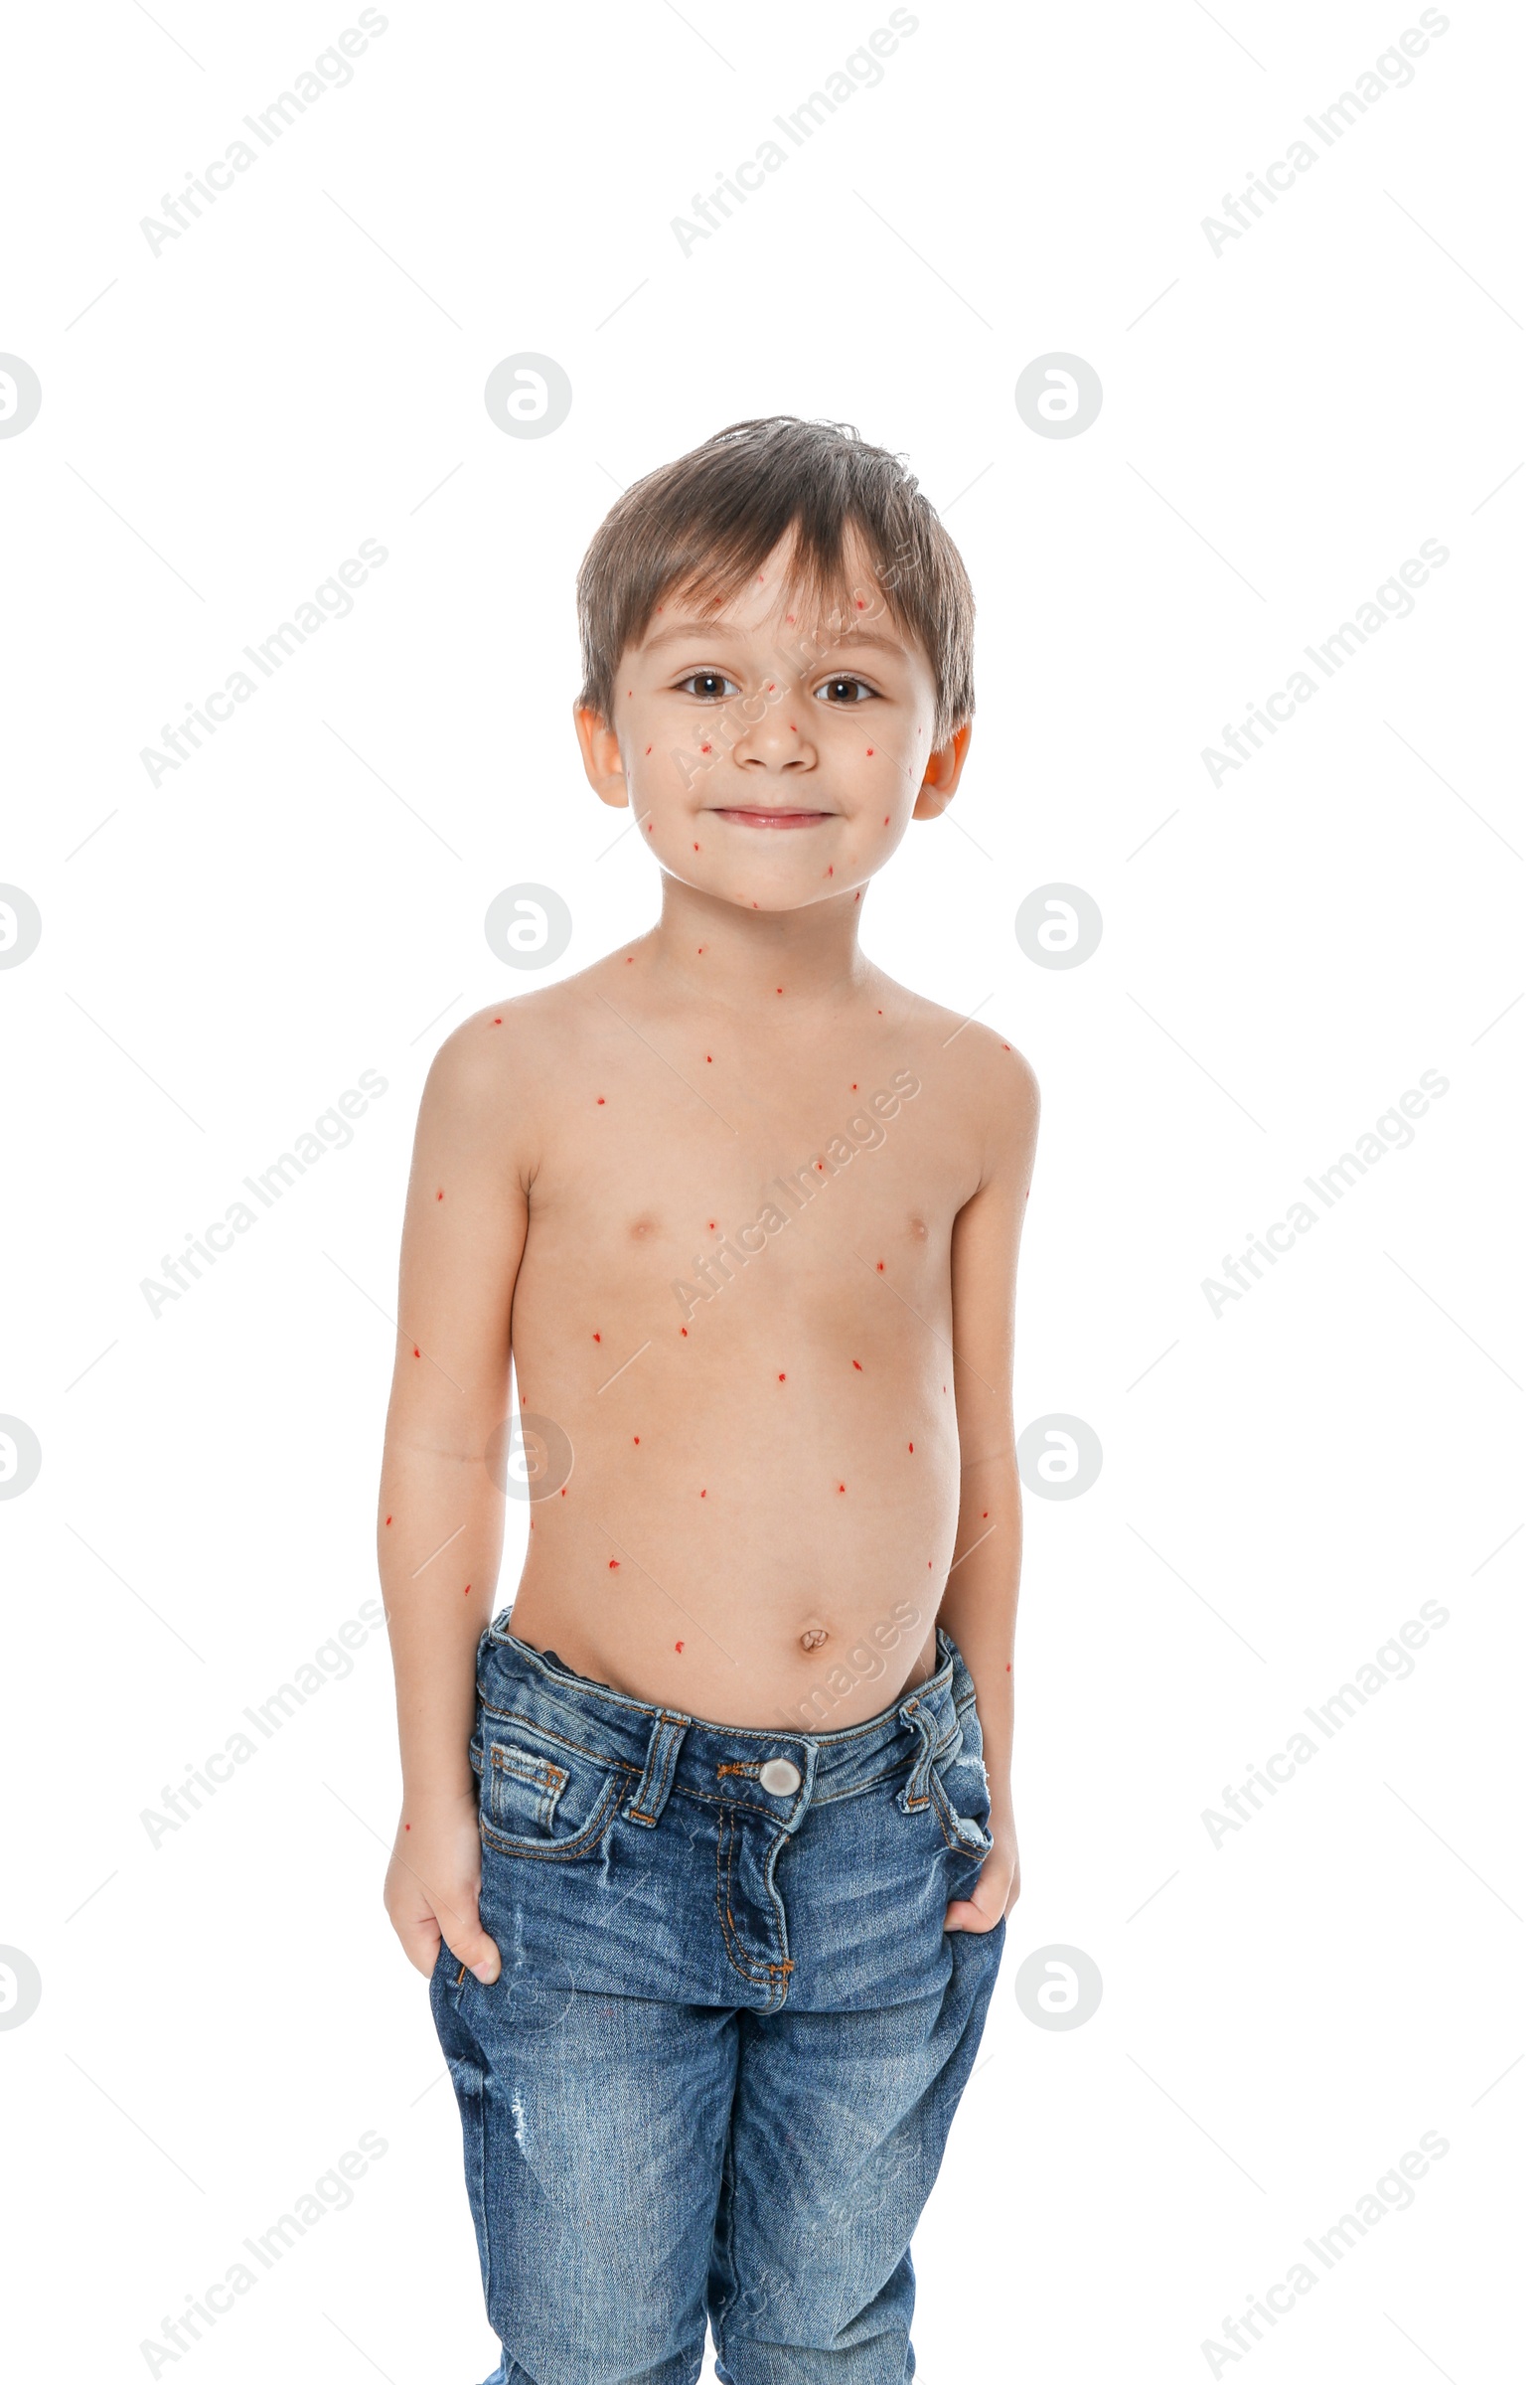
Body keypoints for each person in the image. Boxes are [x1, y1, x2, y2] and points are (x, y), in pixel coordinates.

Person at [379, 415, 1038, 2385]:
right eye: (705, 681)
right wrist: (432, 1798)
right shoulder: (509, 1067)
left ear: (936, 754)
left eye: (844, 687)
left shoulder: (975, 1087)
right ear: (603, 742)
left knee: (830, 2335)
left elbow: (979, 1463)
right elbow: (430, 1460)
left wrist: (995, 1770)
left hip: (883, 1821)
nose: (774, 737)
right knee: (589, 2345)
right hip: (584, 1824)